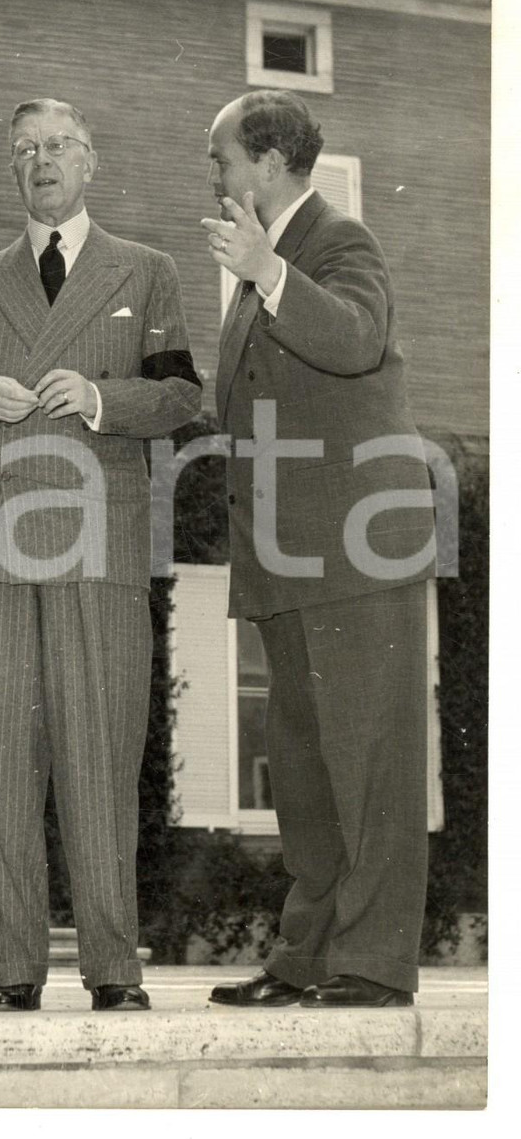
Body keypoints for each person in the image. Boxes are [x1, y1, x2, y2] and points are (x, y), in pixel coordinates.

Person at [0, 99, 202, 1012]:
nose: (41, 162)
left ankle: (113, 967)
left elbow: (183, 396)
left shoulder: (146, 272)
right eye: (24, 151)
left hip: (100, 537)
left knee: (102, 757)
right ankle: (12, 971)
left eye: (57, 148)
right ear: (13, 171)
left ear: (91, 163)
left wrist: (103, 395)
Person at [202, 89, 436, 1009]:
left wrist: (268, 273)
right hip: (288, 558)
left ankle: (372, 963)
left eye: (221, 158)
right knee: (303, 773)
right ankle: (305, 958)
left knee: (370, 763)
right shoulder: (268, 262)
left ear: (267, 162)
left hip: (354, 552)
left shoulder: (341, 241)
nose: (214, 175)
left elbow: (356, 337)